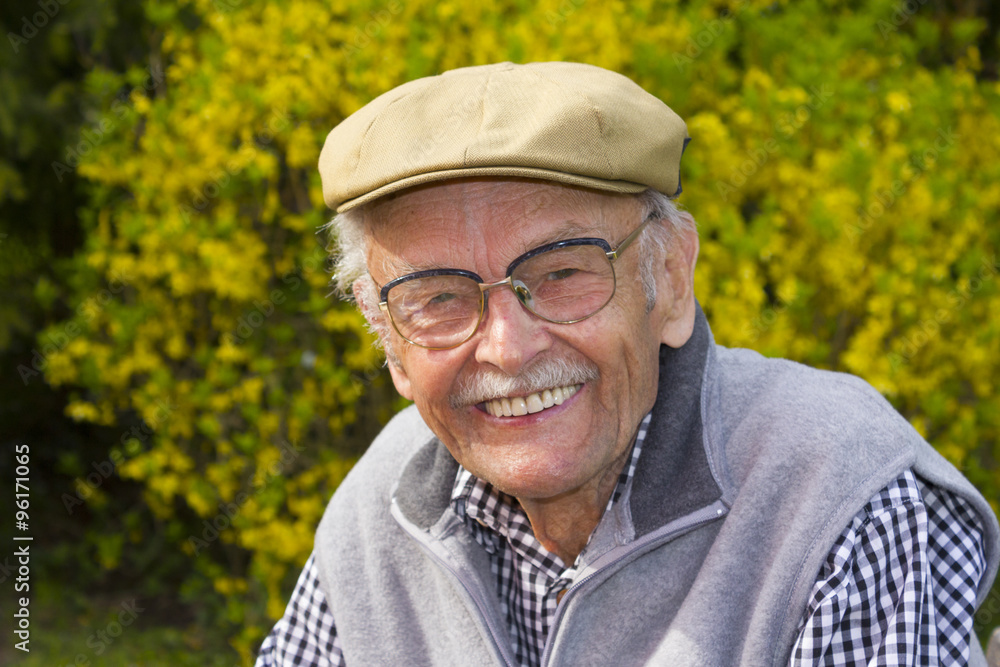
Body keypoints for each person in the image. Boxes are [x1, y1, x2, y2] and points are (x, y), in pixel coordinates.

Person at [256, 61, 999, 666]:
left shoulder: (839, 494)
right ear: (388, 337)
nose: (508, 347)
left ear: (671, 280)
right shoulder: (381, 504)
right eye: (439, 296)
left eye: (561, 273)